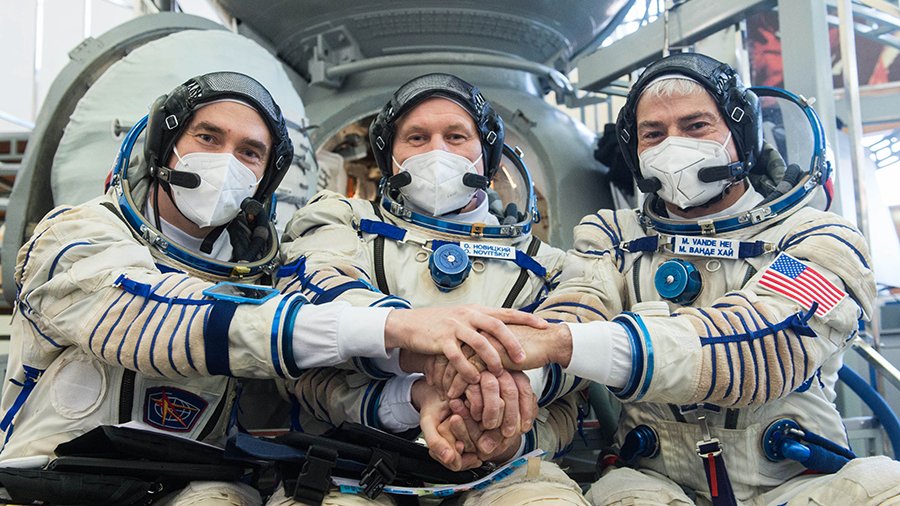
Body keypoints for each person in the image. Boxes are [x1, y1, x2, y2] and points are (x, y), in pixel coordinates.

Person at [0, 71, 541, 505]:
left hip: (197, 482)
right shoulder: (77, 234)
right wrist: (395, 324)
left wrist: (416, 395)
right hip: (54, 475)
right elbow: (150, 320)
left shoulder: (263, 272)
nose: (227, 162)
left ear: (264, 179)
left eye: (249, 152)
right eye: (208, 138)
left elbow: (303, 391)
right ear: (167, 150)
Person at [430, 53, 900, 504]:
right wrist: (493, 397)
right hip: (653, 484)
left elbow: (767, 341)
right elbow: (574, 310)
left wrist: (563, 343)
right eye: (653, 133)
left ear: (741, 135)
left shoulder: (816, 238)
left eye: (695, 126)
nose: (673, 145)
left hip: (797, 483)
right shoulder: (614, 238)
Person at [276, 73, 588, 505]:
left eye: (456, 136)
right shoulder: (340, 222)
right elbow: (321, 304)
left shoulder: (550, 266)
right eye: (417, 138)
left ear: (488, 158)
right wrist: (412, 385)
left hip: (505, 468)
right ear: (391, 159)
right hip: (354, 462)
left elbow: (572, 381)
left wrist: (499, 424)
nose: (437, 152)